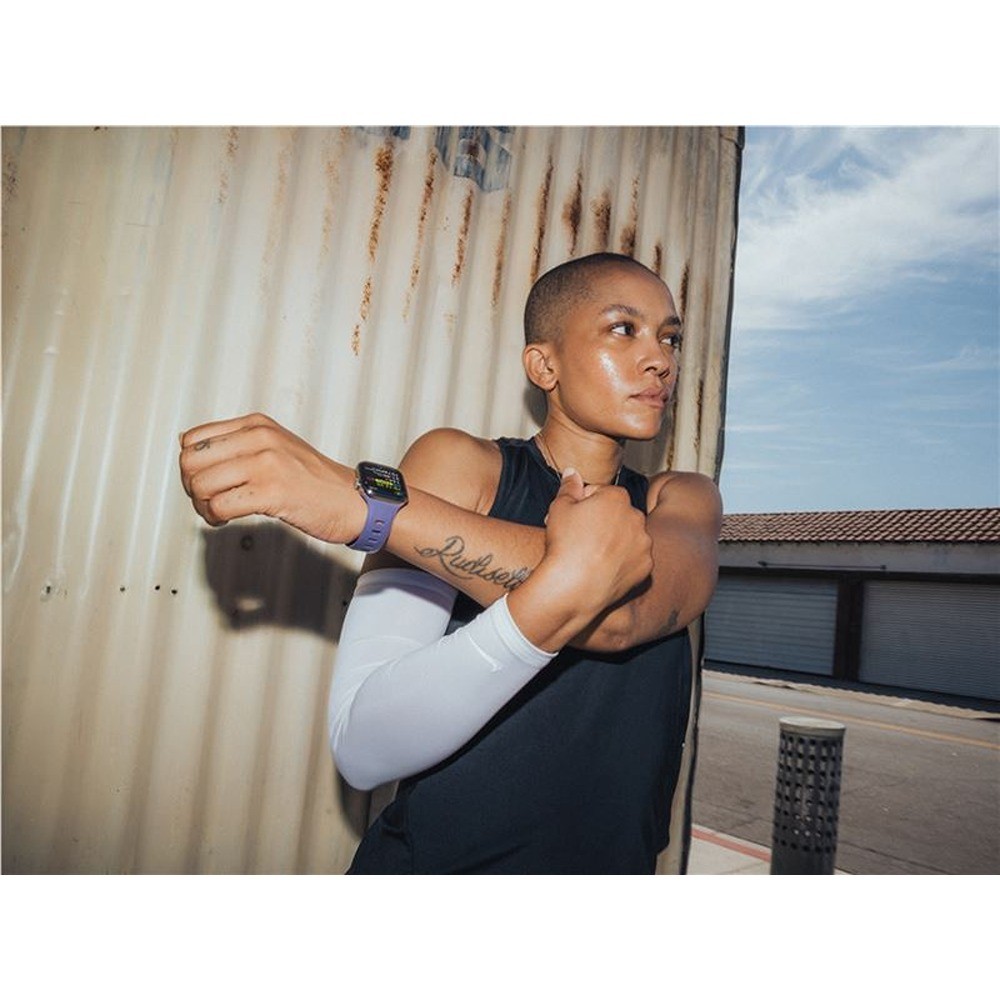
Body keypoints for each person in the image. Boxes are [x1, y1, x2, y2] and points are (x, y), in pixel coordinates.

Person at [179, 252, 722, 874]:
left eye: (670, 338)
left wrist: (366, 507)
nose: (660, 360)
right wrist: (387, 512)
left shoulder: (681, 500)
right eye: (623, 329)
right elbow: (363, 748)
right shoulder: (464, 468)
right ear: (543, 365)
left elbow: (625, 612)